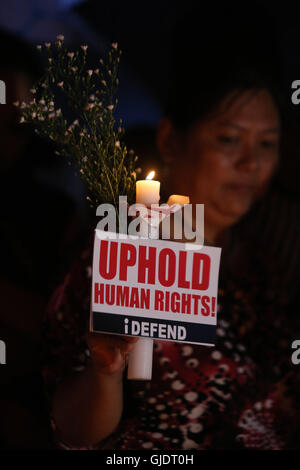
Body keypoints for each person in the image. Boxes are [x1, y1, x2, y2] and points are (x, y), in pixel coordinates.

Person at [42, 7, 300, 449]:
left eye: (267, 144)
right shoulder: (118, 252)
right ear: (170, 140)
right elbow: (71, 430)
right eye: (228, 139)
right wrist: (106, 372)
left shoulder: (261, 267)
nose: (250, 163)